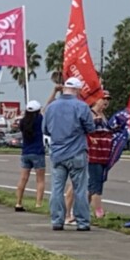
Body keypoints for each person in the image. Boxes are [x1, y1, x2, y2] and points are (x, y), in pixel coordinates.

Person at [43, 78, 95, 231]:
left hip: (57, 153)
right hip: (77, 151)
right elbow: (90, 128)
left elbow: (45, 129)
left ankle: (57, 220)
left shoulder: (51, 107)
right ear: (78, 90)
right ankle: (82, 222)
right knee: (80, 189)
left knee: (57, 188)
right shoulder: (81, 106)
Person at [85, 91, 114, 219]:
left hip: (104, 155)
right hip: (94, 155)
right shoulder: (90, 114)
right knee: (96, 185)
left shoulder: (104, 116)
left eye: (108, 99)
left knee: (93, 185)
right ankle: (98, 212)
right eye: (103, 99)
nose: (106, 101)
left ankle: (81, 209)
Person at [14, 100, 47, 211]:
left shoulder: (22, 122)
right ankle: (38, 203)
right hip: (38, 152)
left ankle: (18, 203)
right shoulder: (40, 119)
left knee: (23, 179)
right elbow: (45, 108)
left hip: (25, 152)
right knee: (40, 180)